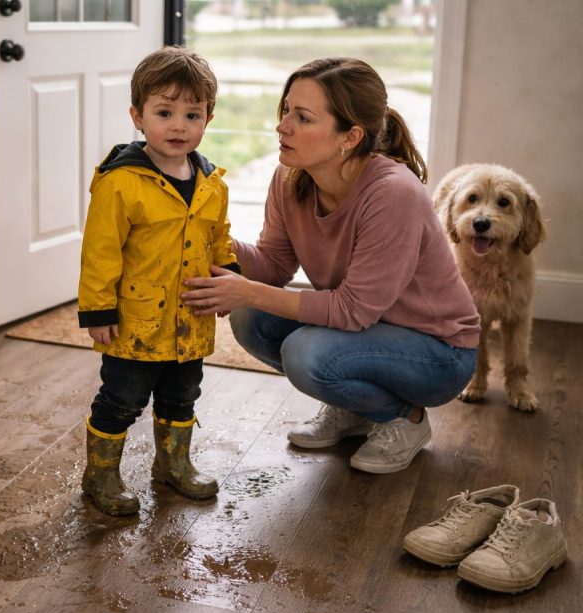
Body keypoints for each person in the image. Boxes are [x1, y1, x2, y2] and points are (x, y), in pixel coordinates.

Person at [180, 57, 480, 475]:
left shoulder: (393, 194)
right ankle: (356, 409)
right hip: (367, 333)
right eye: (286, 110)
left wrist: (246, 290)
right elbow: (273, 264)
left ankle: (403, 419)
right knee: (252, 319)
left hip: (437, 352)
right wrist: (206, 238)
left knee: (306, 353)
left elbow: (353, 311)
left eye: (303, 117)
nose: (283, 125)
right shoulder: (291, 178)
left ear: (350, 136)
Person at [77, 46, 240, 516]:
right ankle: (101, 474)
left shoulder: (213, 183)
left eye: (192, 114)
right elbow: (100, 251)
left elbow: (218, 238)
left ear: (208, 118)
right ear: (138, 116)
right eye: (164, 112)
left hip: (190, 318)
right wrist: (98, 310)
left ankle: (172, 464)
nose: (178, 125)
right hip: (136, 319)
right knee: (122, 398)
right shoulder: (121, 182)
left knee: (182, 394)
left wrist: (228, 274)